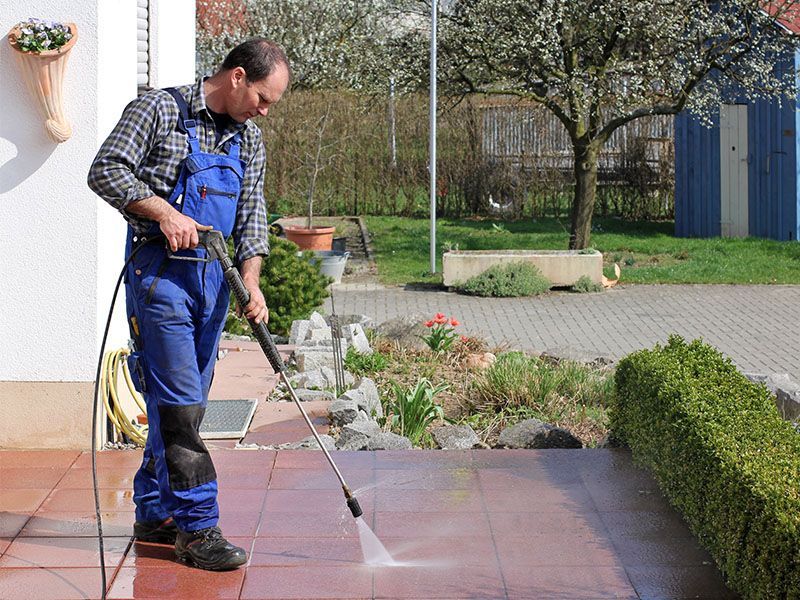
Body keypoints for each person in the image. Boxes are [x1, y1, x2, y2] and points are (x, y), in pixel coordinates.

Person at [88, 39, 290, 570]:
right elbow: (105, 169)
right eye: (264, 99)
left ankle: (154, 512)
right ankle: (198, 528)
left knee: (183, 402)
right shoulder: (159, 110)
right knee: (182, 406)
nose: (265, 111)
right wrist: (163, 213)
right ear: (239, 76)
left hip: (215, 284)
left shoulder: (250, 140)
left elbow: (250, 218)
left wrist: (252, 282)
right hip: (161, 278)